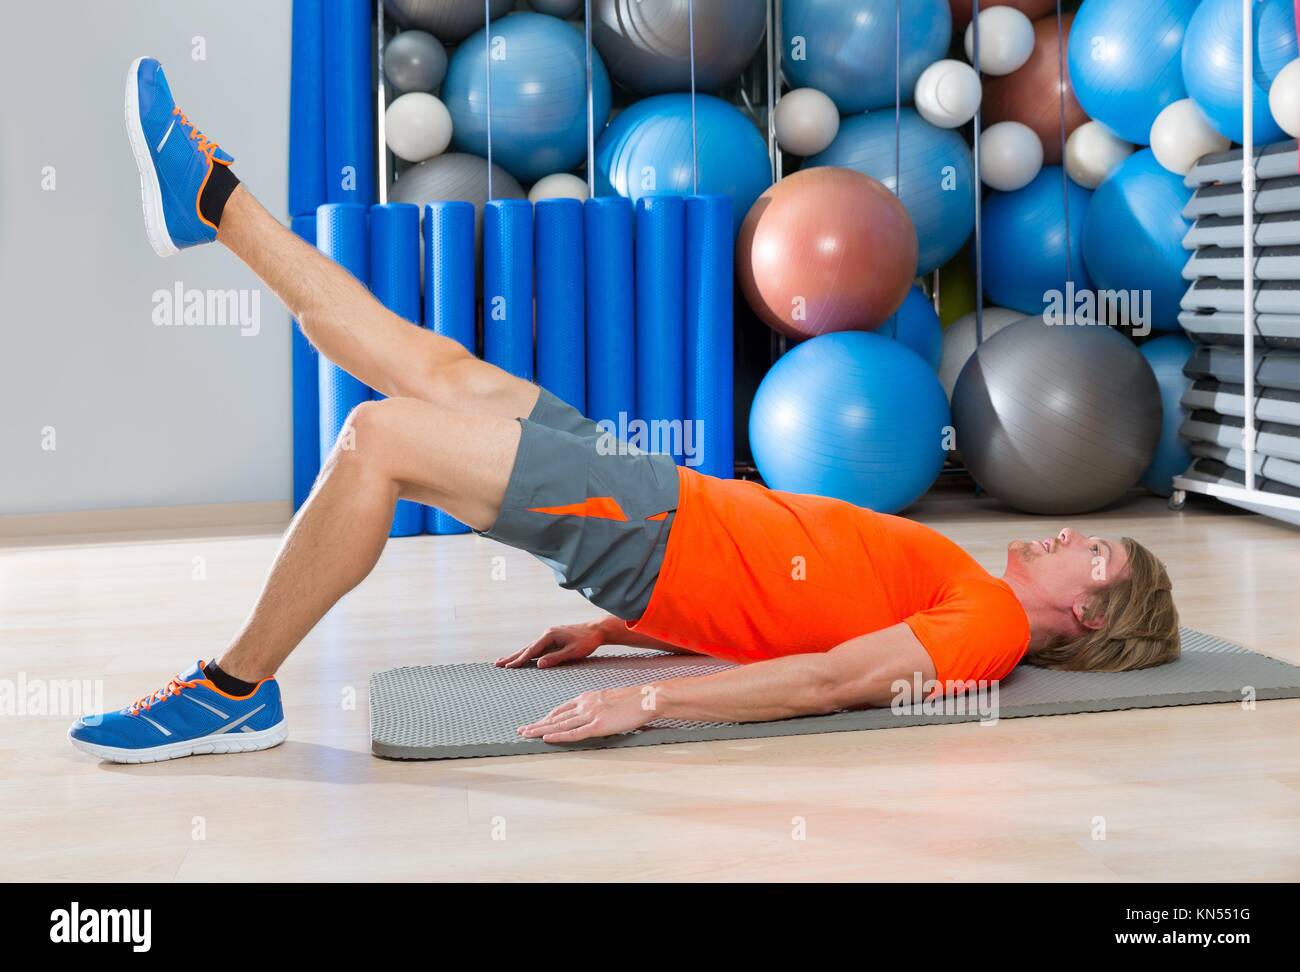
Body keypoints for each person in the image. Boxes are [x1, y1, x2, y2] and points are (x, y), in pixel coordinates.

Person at [68, 59, 1180, 763]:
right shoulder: (972, 594)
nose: (1076, 535)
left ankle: (231, 691)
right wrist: (619, 633)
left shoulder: (987, 632)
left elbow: (831, 682)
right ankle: (210, 195)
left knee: (380, 438)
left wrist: (647, 700)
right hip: (663, 515)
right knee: (429, 366)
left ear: (1094, 616)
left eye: (1099, 556)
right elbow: (810, 613)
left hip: (651, 527)